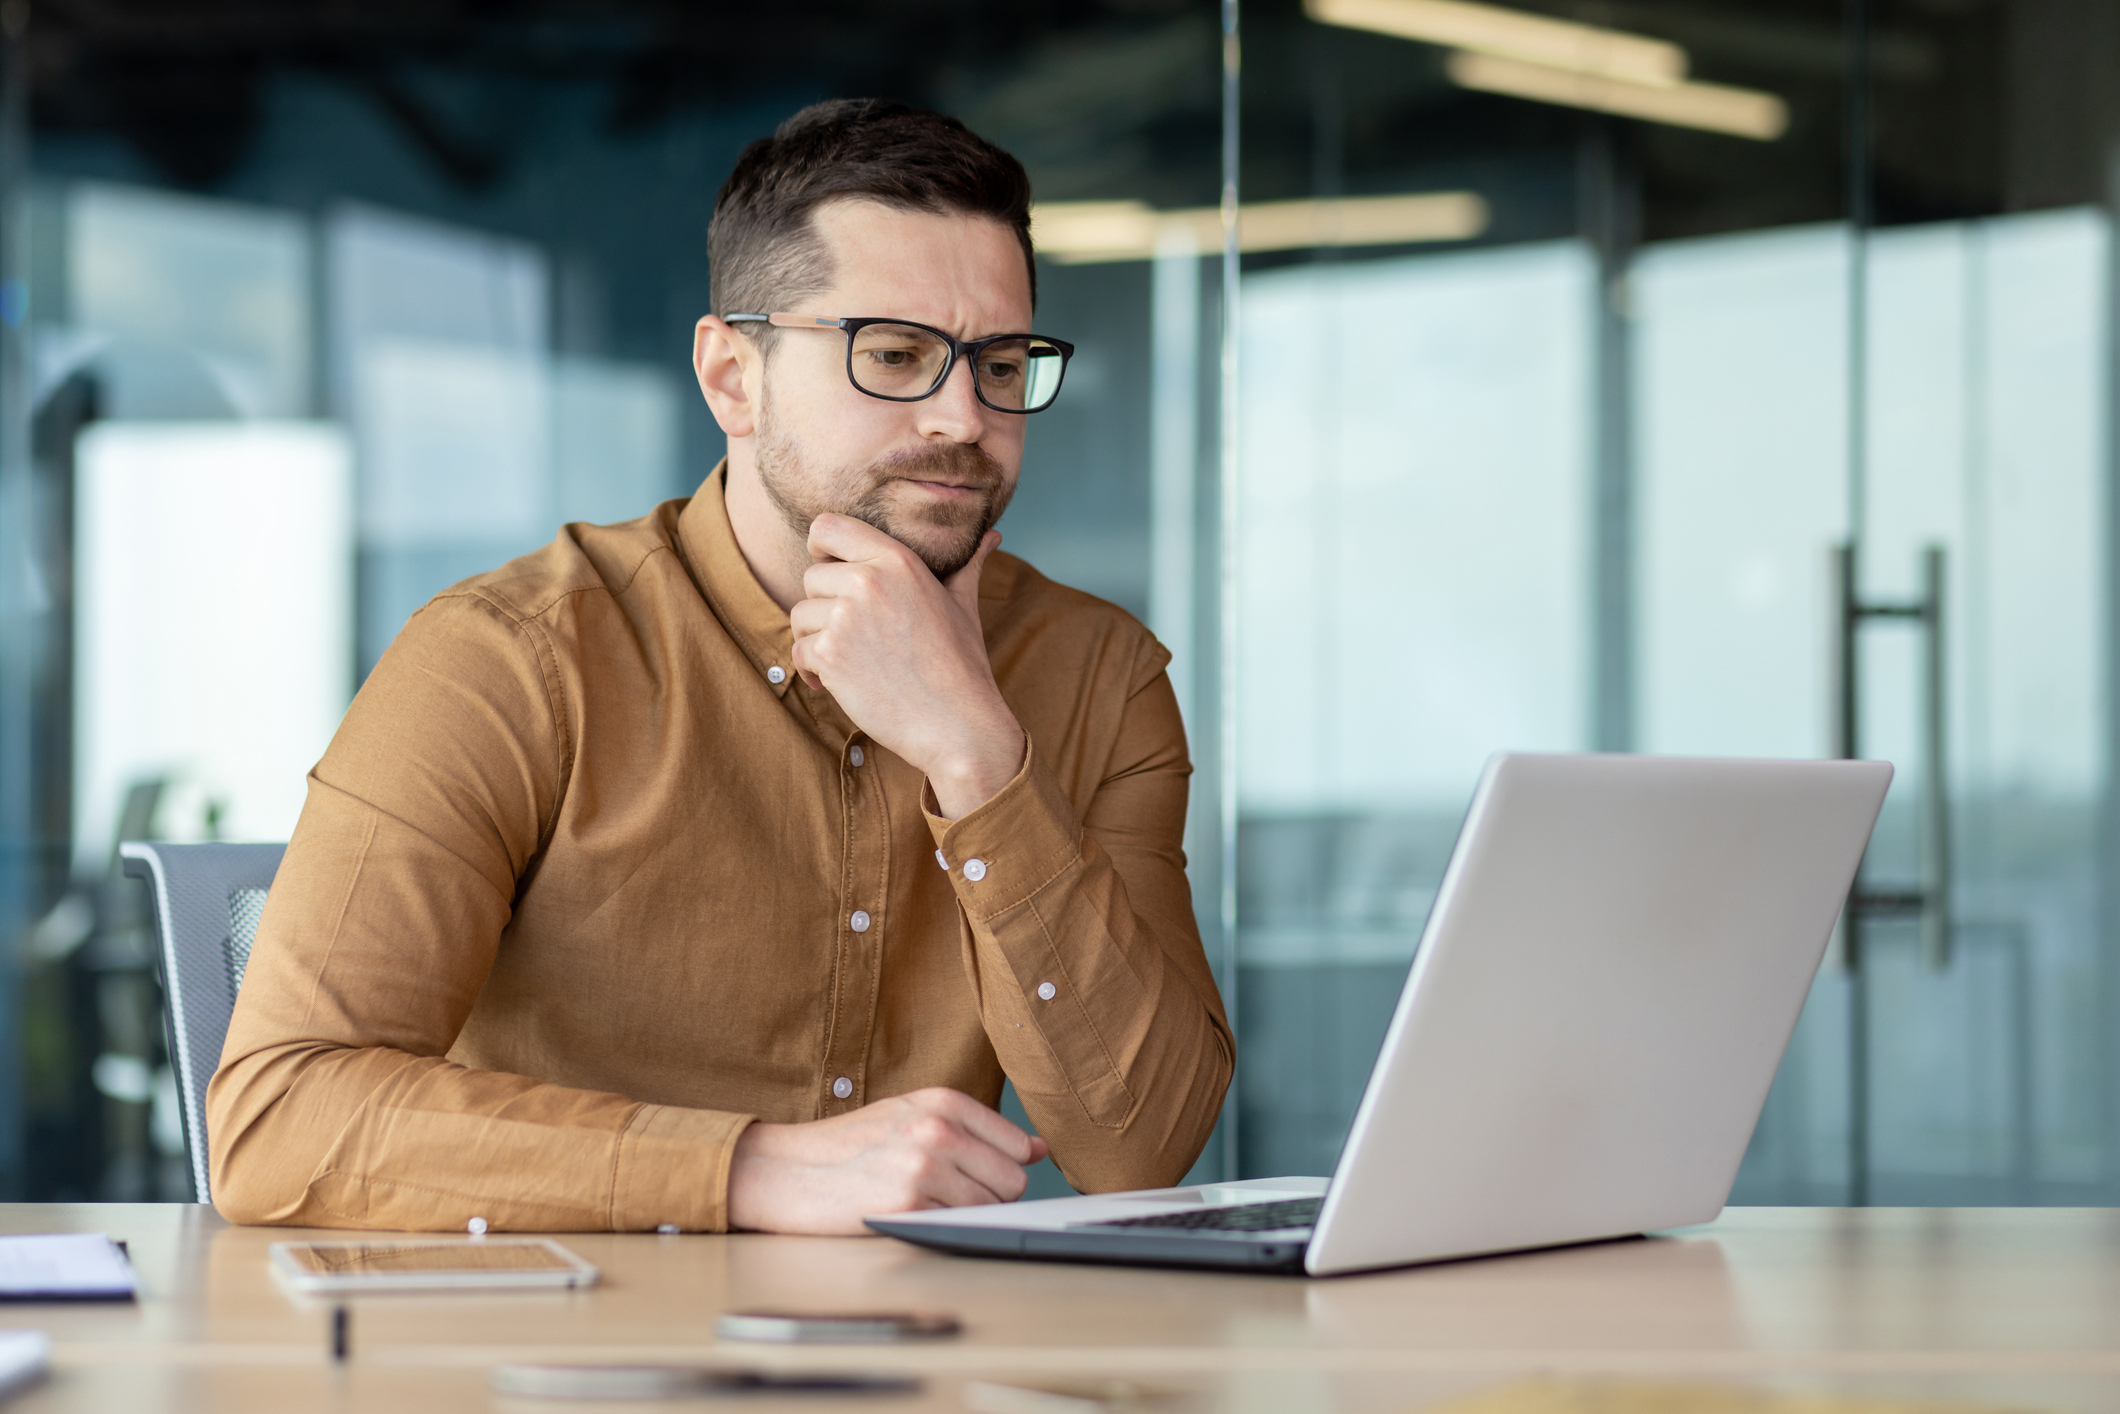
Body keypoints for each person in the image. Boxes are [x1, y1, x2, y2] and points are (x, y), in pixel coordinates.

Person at [206, 99, 1232, 1235]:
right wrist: (751, 1170)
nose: (962, 415)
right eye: (892, 355)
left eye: (998, 362)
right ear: (732, 377)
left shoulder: (1099, 674)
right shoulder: (512, 655)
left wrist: (975, 757)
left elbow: (1137, 1149)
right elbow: (276, 1117)